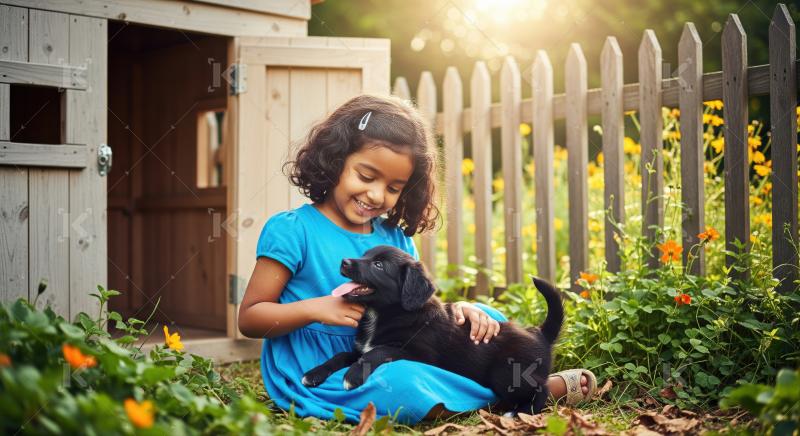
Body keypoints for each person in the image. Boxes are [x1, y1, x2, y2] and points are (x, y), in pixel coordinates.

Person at [237, 94, 596, 425]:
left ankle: (508, 388)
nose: (376, 194)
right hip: (320, 369)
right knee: (402, 384)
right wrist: (315, 309)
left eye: (394, 188)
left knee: (490, 319)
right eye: (366, 176)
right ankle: (531, 392)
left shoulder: (393, 236)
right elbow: (251, 318)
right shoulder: (293, 230)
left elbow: (417, 308)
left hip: (395, 349)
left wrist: (460, 309)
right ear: (334, 159)